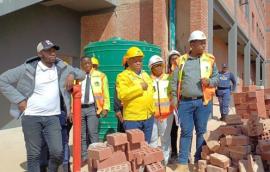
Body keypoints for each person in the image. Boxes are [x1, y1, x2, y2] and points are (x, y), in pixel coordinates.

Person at [0, 40, 85, 172]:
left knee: (57, 152)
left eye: (54, 50)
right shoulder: (28, 68)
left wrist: (72, 74)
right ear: (40, 54)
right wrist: (19, 99)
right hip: (31, 117)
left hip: (53, 118)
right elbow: (2, 80)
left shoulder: (62, 67)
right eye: (48, 51)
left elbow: (82, 74)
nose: (53, 53)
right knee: (34, 154)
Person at [171, 30, 219, 171]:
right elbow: (174, 82)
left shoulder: (210, 59)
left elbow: (217, 79)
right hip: (185, 103)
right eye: (201, 43)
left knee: (201, 131)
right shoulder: (180, 61)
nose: (204, 45)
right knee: (185, 132)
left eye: (204, 42)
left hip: (202, 102)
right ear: (192, 44)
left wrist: (209, 81)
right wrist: (174, 97)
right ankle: (183, 163)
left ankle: (199, 161)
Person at [116, 46, 154, 143]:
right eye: (135, 60)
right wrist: (139, 88)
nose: (138, 62)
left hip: (148, 117)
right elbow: (122, 94)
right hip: (133, 119)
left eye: (140, 60)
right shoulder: (123, 76)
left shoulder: (145, 75)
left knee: (146, 147)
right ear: (128, 62)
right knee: (134, 149)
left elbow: (151, 93)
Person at [80, 56, 110, 164]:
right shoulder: (78, 77)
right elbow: (73, 95)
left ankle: (95, 158)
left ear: (92, 64)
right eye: (85, 64)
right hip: (80, 109)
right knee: (82, 135)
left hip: (93, 108)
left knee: (93, 133)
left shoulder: (100, 76)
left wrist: (106, 107)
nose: (87, 65)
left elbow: (105, 92)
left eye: (89, 63)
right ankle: (84, 157)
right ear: (81, 65)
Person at [148, 55, 174, 165]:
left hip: (166, 115)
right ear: (151, 68)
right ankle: (154, 161)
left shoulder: (169, 78)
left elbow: (174, 95)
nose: (159, 68)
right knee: (152, 139)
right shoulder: (147, 80)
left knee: (165, 138)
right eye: (156, 66)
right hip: (151, 115)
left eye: (160, 65)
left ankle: (165, 160)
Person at [167, 50, 181, 163]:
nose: (175, 60)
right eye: (173, 58)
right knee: (173, 131)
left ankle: (184, 154)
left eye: (177, 58)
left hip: (184, 105)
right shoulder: (166, 75)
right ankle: (174, 153)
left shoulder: (184, 72)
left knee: (186, 131)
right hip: (172, 107)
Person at [114, 56, 129, 132]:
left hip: (135, 110)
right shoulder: (121, 76)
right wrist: (117, 110)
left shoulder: (139, 75)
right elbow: (117, 93)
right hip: (124, 109)